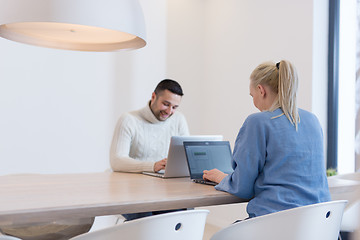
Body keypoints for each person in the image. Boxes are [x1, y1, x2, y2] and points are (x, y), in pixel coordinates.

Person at [203, 60, 331, 219]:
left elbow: (242, 186)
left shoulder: (258, 122)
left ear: (261, 90)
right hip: (318, 224)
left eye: (252, 96)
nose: (254, 102)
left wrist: (220, 177)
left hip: (276, 224)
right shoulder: (312, 120)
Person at [110, 79, 189, 220]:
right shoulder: (129, 120)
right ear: (153, 97)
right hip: (131, 192)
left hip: (163, 191)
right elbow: (117, 161)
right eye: (166, 104)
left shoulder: (179, 120)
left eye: (175, 107)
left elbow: (185, 156)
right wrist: (152, 166)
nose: (170, 111)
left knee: (183, 212)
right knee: (147, 218)